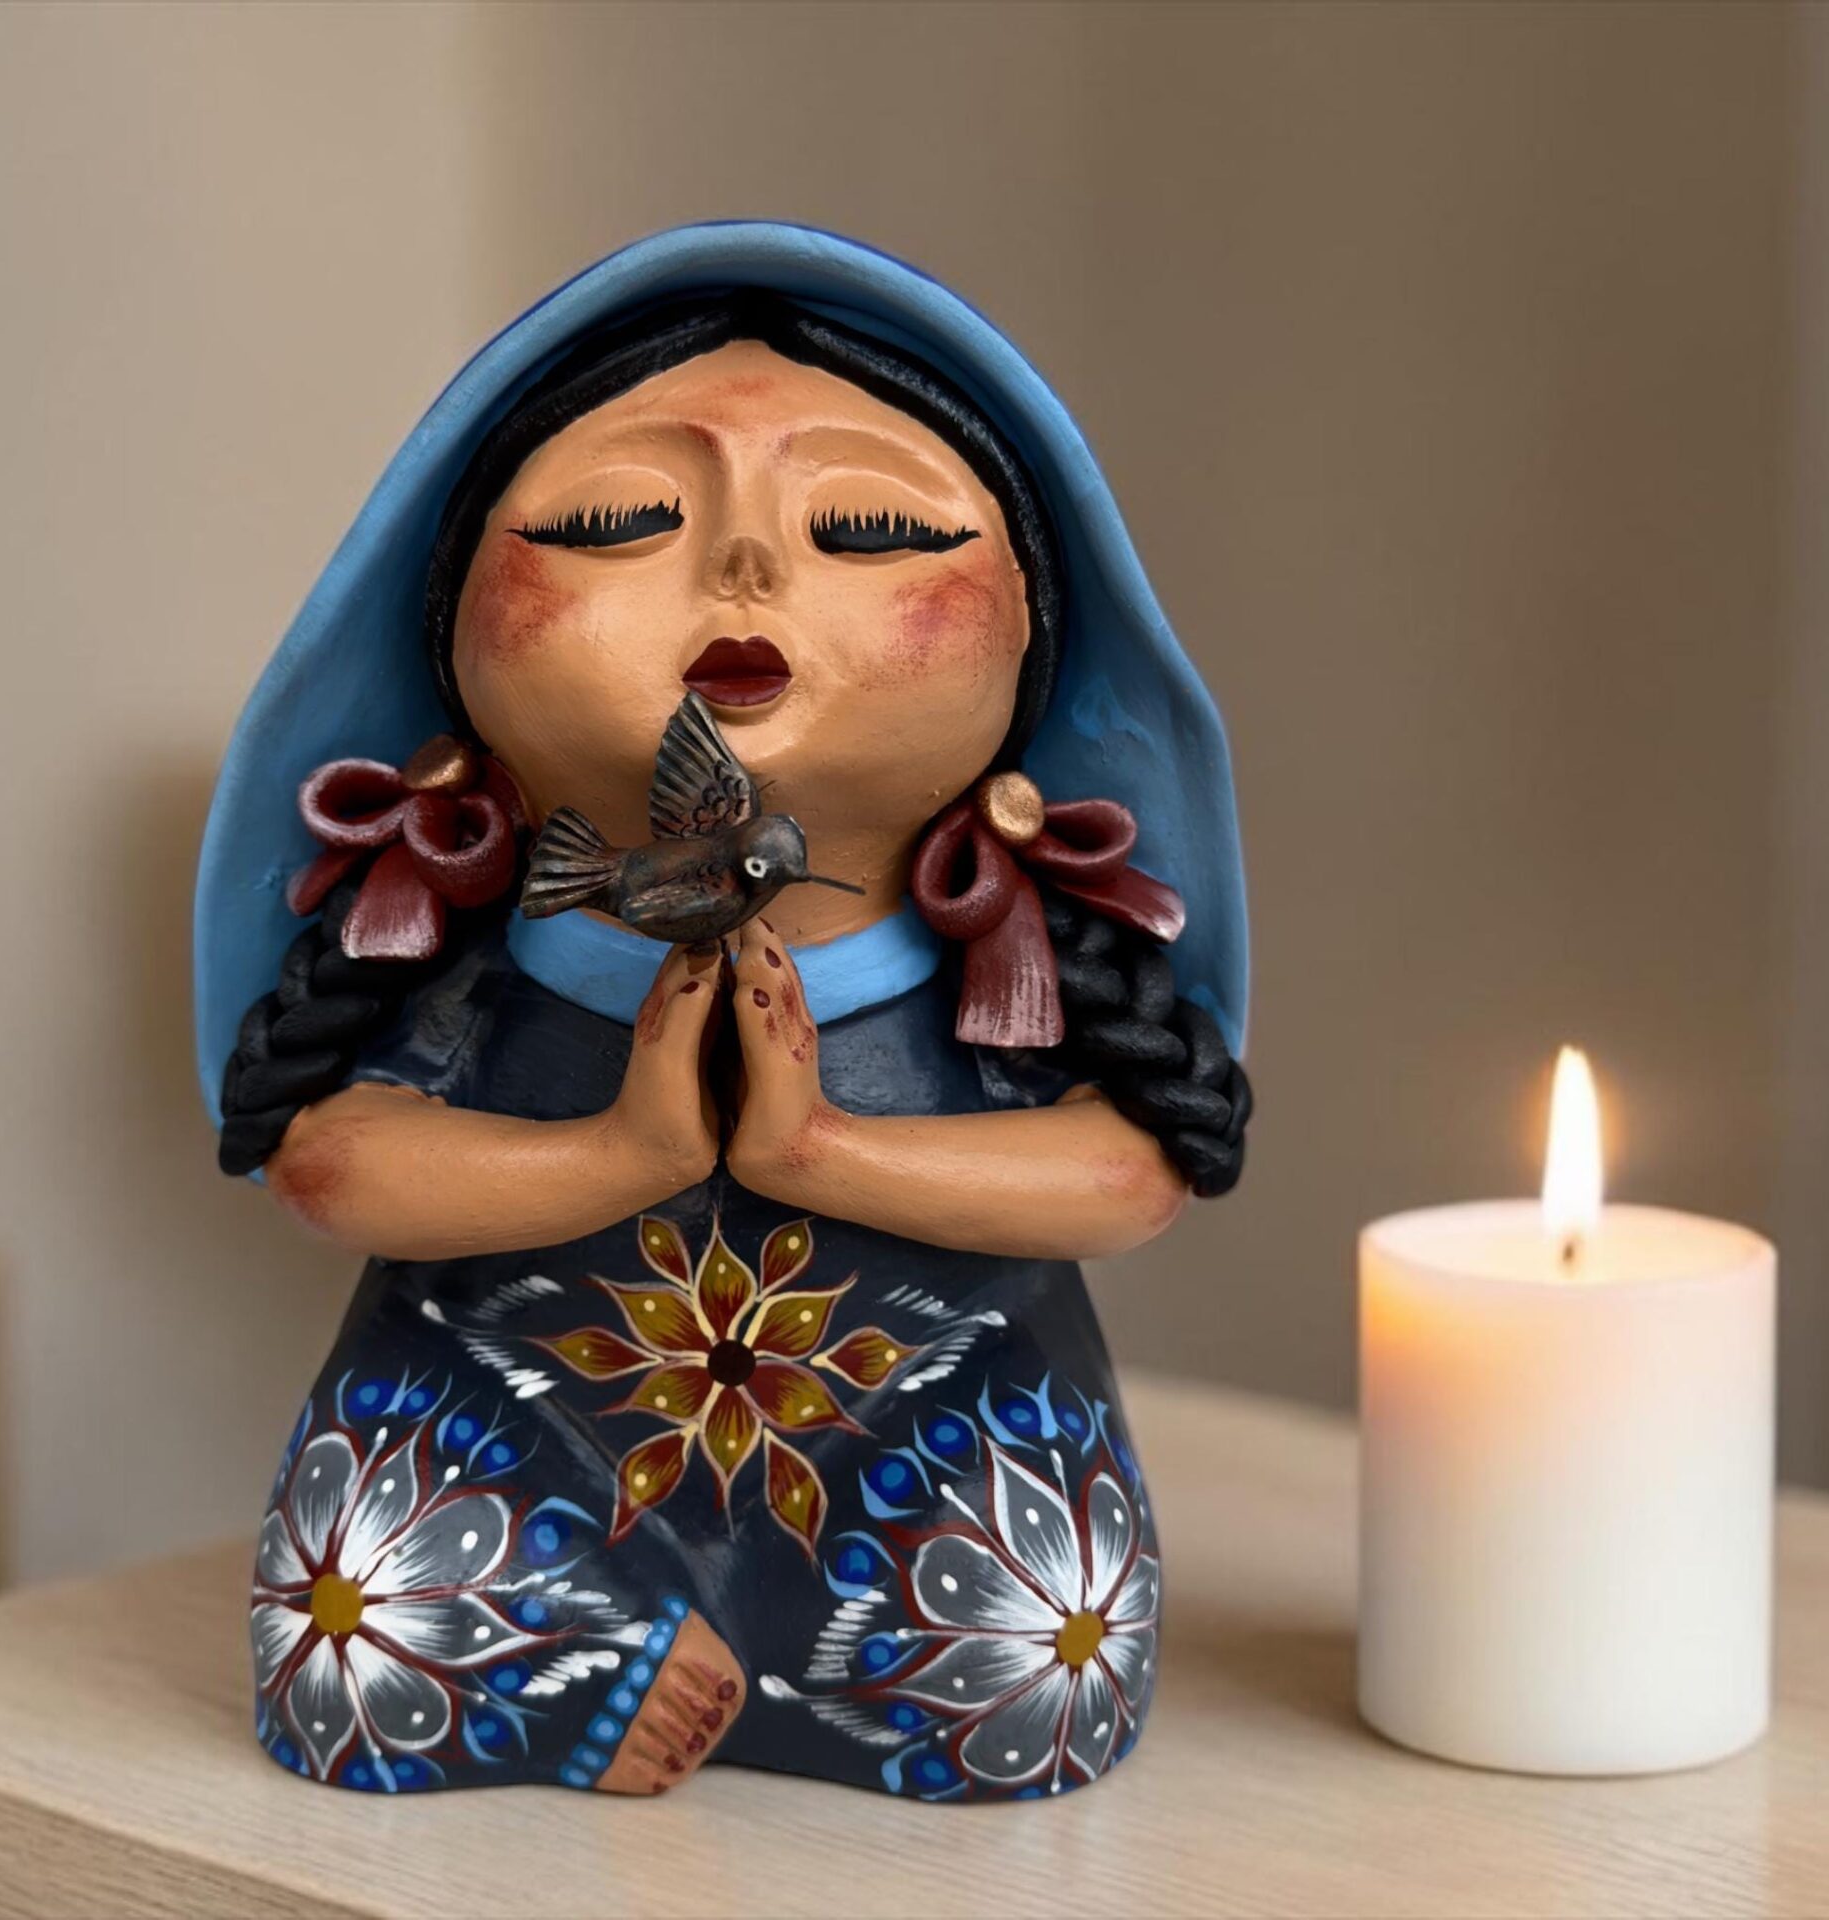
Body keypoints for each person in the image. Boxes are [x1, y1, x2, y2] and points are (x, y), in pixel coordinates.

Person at [196, 225, 1251, 1802]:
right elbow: (331, 1163)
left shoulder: (1002, 985)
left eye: (872, 530)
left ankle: (812, 1661)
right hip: (516, 1458)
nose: (746, 568)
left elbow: (1127, 1178)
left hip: (925, 1451)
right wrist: (617, 1154)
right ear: (450, 636)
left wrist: (822, 1150)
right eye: (618, 522)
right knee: (348, 1630)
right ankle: (586, 1659)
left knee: (1042, 1657)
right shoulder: (485, 973)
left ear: (1037, 637)